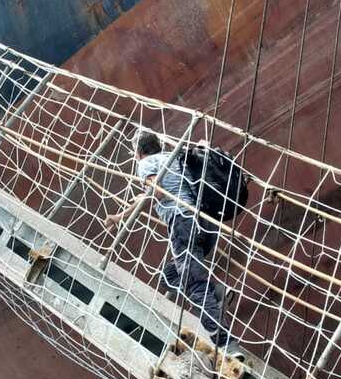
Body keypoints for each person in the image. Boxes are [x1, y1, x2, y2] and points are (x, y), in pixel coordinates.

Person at [103, 128, 242, 359]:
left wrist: (135, 205)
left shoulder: (145, 164)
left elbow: (156, 192)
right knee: (169, 275)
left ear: (138, 152)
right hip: (207, 224)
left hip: (182, 223)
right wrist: (124, 214)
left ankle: (227, 345)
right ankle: (217, 291)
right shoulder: (174, 156)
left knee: (194, 286)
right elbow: (162, 189)